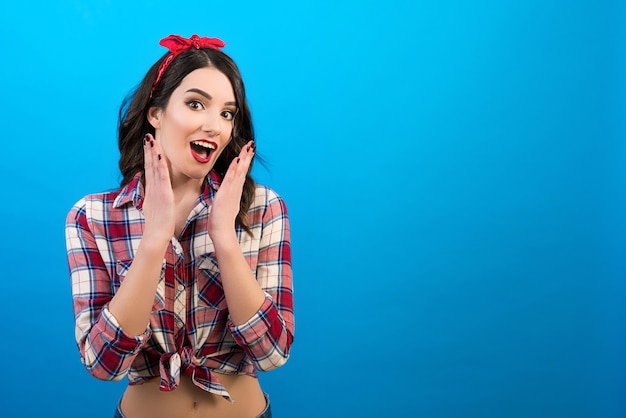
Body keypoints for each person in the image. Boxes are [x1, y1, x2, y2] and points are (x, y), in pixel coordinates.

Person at [65, 34, 294, 418]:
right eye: (195, 104)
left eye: (227, 113)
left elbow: (272, 353)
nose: (215, 126)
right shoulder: (93, 217)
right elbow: (104, 364)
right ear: (156, 113)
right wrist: (154, 240)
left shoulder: (262, 208)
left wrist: (224, 235)